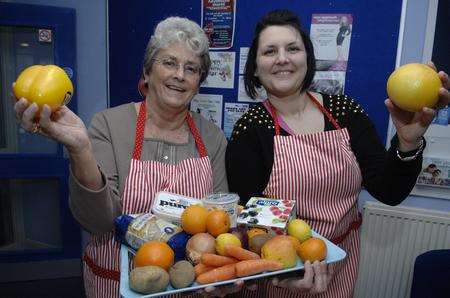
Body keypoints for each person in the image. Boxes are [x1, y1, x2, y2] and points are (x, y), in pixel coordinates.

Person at [225, 9, 450, 298]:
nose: (282, 58)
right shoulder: (250, 129)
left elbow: (388, 191)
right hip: (277, 272)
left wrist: (407, 144)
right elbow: (249, 220)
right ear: (255, 67)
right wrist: (286, 270)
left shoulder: (344, 112)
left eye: (292, 48)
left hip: (339, 264)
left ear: (307, 59)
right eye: (270, 51)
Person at [14, 17, 238, 298]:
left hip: (191, 286)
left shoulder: (212, 137)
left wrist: (216, 276)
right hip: (116, 285)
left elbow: (219, 221)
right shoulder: (109, 124)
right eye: (169, 63)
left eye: (191, 68)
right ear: (147, 73)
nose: (180, 74)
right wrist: (80, 150)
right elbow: (97, 221)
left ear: (198, 83)